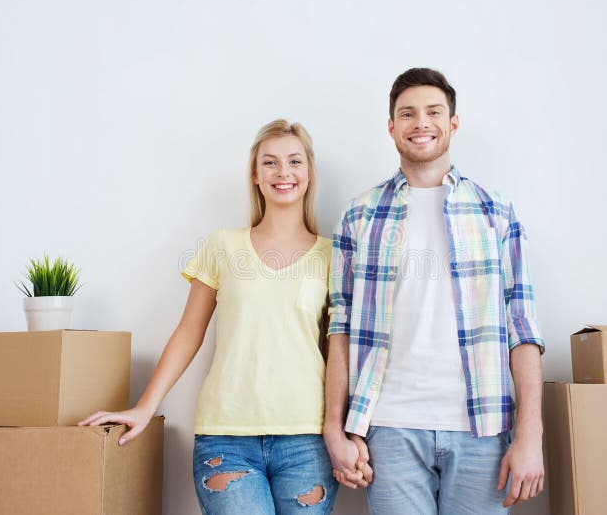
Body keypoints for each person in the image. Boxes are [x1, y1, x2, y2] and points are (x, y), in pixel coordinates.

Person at [81, 119, 338, 515]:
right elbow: (188, 332)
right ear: (255, 174)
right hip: (225, 438)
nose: (283, 172)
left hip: (308, 439)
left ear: (309, 172)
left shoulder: (332, 255)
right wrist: (144, 407)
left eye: (294, 161)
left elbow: (339, 350)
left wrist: (347, 430)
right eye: (270, 162)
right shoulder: (223, 245)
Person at [323, 68, 546, 514]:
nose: (420, 122)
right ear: (392, 128)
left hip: (481, 428)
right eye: (407, 114)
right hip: (388, 427)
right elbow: (340, 328)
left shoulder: (495, 211)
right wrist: (334, 427)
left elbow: (521, 327)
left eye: (432, 112)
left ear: (453, 123)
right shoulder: (359, 215)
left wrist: (530, 434)